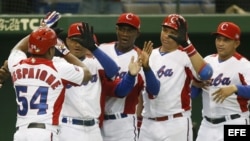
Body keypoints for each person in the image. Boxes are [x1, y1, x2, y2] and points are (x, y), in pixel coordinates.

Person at [7, 13, 92, 140]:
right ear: (50, 50)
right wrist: (64, 50)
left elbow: (17, 49)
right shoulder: (59, 68)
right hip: (44, 132)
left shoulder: (17, 65)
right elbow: (87, 73)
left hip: (20, 134)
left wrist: (40, 29)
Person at [57, 21, 140, 141]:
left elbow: (113, 71)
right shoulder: (57, 65)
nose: (78, 45)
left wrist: (93, 48)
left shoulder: (96, 64)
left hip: (93, 129)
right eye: (74, 40)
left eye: (82, 41)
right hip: (67, 126)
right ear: (67, 41)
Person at [137, 14, 213, 141]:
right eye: (165, 30)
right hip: (148, 123)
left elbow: (206, 73)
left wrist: (187, 43)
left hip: (175, 122)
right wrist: (139, 120)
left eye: (172, 32)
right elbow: (141, 92)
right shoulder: (149, 54)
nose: (167, 35)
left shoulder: (187, 56)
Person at [98, 12, 161, 141]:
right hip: (98, 122)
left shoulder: (141, 56)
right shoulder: (103, 49)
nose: (125, 34)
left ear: (137, 33)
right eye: (122, 29)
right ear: (116, 29)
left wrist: (147, 68)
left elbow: (154, 91)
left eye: (130, 30)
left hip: (123, 124)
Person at [192, 21, 250, 141]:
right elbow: (193, 94)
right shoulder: (207, 61)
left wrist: (236, 88)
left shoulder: (244, 64)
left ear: (236, 43)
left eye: (226, 40)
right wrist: (196, 84)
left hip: (235, 122)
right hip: (207, 125)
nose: (220, 43)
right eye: (218, 39)